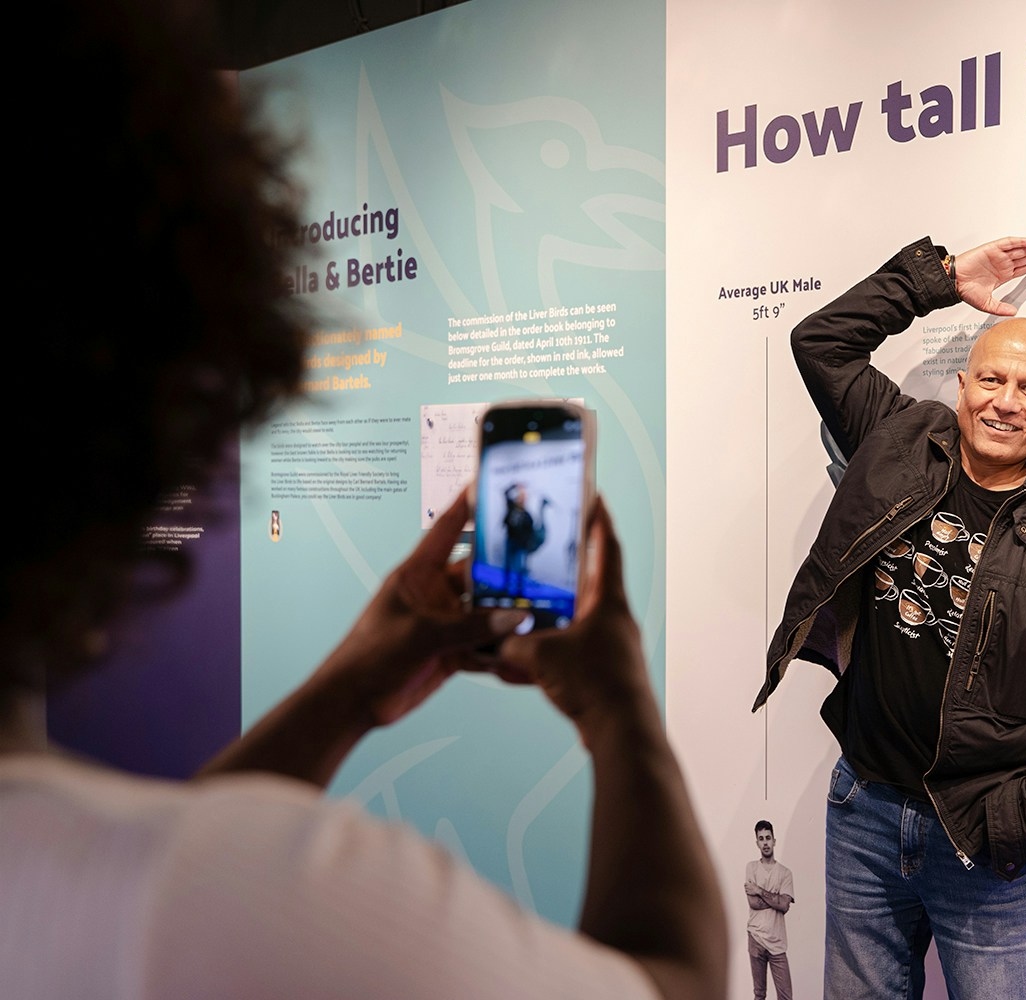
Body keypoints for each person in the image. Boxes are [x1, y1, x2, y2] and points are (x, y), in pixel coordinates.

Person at [0, 4, 724, 999]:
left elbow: (158, 872)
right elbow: (671, 980)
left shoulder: (145, 887)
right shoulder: (228, 899)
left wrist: (346, 688)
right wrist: (619, 702)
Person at [752, 236, 1026, 999]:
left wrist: (1012, 824)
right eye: (993, 379)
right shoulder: (899, 439)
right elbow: (821, 341)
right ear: (964, 384)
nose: (1006, 401)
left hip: (987, 846)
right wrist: (936, 280)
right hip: (866, 811)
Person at [745, 819, 796, 1000]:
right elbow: (753, 903)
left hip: (777, 942)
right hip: (756, 938)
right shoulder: (751, 868)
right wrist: (778, 899)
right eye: (761, 839)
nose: (765, 842)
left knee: (785, 996)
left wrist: (759, 890)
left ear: (774, 840)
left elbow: (784, 905)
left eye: (768, 838)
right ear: (757, 843)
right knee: (759, 994)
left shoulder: (785, 873)